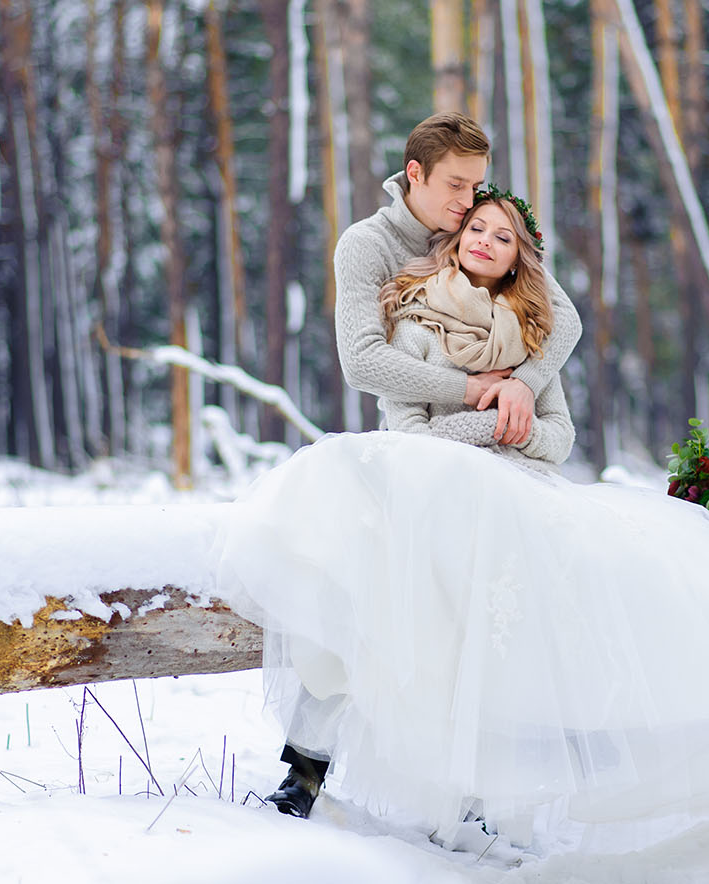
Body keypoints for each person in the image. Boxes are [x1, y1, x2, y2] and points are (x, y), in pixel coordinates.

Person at [222, 187, 709, 849]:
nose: (485, 243)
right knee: (380, 595)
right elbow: (406, 432)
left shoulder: (525, 339)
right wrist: (491, 412)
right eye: (477, 228)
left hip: (516, 493)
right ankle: (305, 773)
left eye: (503, 239)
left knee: (532, 613)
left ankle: (487, 798)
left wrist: (517, 405)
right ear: (455, 237)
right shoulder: (410, 322)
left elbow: (557, 438)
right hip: (423, 498)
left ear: (518, 261)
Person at [263, 112, 582, 818]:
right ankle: (308, 765)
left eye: (478, 187)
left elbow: (562, 318)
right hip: (414, 454)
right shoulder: (369, 247)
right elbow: (362, 361)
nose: (472, 205)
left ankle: (492, 780)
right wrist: (480, 396)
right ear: (415, 176)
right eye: (457, 187)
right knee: (356, 577)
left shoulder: (485, 240)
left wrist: (523, 386)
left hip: (495, 472)